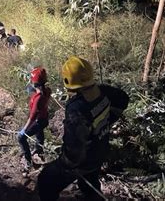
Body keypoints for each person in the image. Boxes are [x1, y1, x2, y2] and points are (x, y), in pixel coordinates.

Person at [37, 56, 129, 201]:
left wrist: (66, 164)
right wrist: (108, 121)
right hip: (100, 150)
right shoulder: (103, 91)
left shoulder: (77, 108)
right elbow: (123, 98)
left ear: (68, 80)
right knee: (89, 182)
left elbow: (75, 147)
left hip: (86, 158)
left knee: (46, 181)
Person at [17, 66, 50, 170]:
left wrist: (24, 130)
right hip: (44, 119)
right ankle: (39, 150)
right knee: (39, 131)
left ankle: (28, 162)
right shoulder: (48, 90)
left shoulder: (38, 98)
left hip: (38, 120)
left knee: (21, 138)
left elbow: (32, 116)